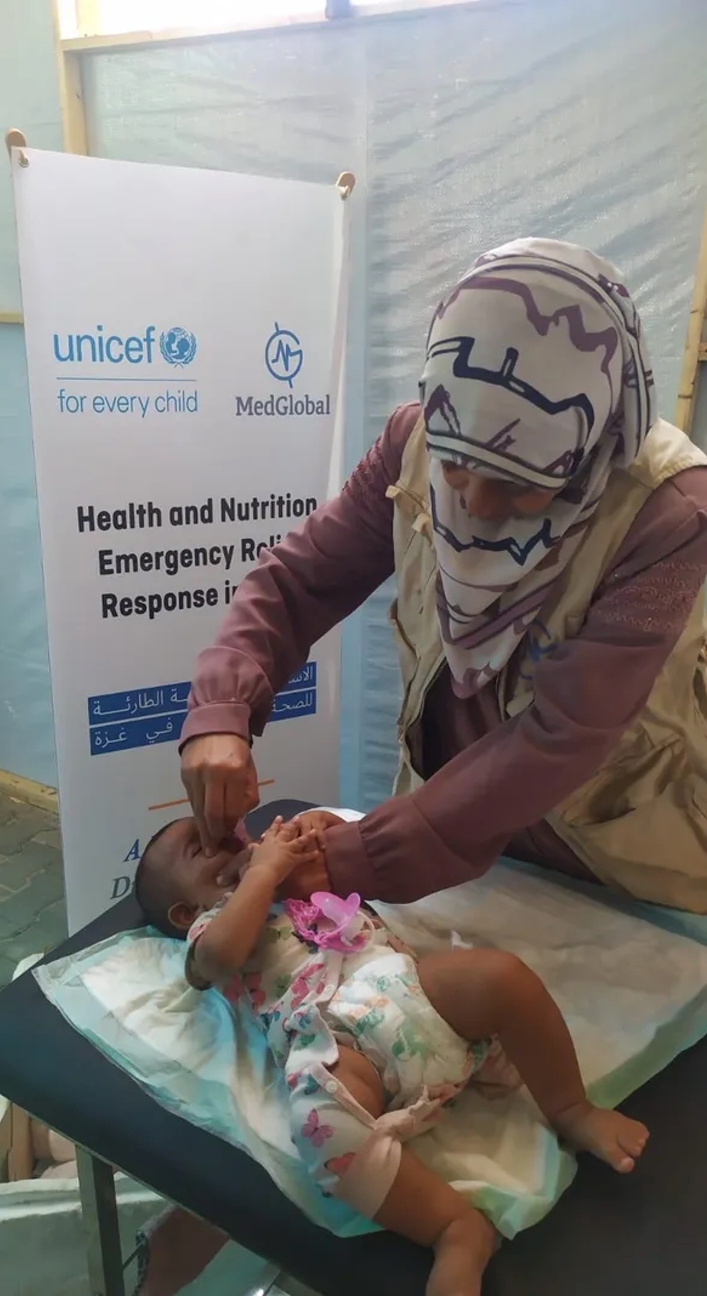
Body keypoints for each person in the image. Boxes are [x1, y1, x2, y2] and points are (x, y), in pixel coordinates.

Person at [181, 238, 707, 913]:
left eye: (521, 484)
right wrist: (221, 710)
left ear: (582, 443)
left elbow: (567, 730)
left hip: (609, 851)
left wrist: (353, 856)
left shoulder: (669, 514)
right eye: (456, 470)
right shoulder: (415, 442)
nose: (478, 506)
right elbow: (298, 583)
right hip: (444, 824)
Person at [134, 811, 648, 1296]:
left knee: (501, 977)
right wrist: (260, 876)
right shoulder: (211, 927)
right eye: (198, 846)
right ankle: (453, 1226)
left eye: (225, 832)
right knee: (318, 1125)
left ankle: (570, 1109)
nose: (222, 836)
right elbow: (220, 957)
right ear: (185, 911)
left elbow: (345, 857)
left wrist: (320, 832)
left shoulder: (292, 876)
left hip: (412, 992)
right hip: (336, 1044)